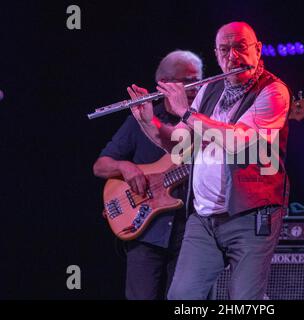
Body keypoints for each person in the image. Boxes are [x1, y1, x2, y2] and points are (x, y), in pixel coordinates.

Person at [131, 22, 291, 300]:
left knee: (245, 300)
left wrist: (185, 112)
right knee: (181, 297)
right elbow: (181, 149)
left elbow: (240, 142)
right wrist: (149, 122)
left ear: (258, 49)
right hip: (204, 217)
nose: (233, 57)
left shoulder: (274, 92)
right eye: (225, 50)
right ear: (216, 54)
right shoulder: (209, 90)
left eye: (240, 47)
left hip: (252, 215)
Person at [93, 50, 203, 300]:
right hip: (146, 231)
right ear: (164, 84)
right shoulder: (139, 118)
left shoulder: (204, 121)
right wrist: (125, 167)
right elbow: (100, 165)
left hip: (190, 233)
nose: (195, 88)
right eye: (187, 81)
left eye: (198, 80)